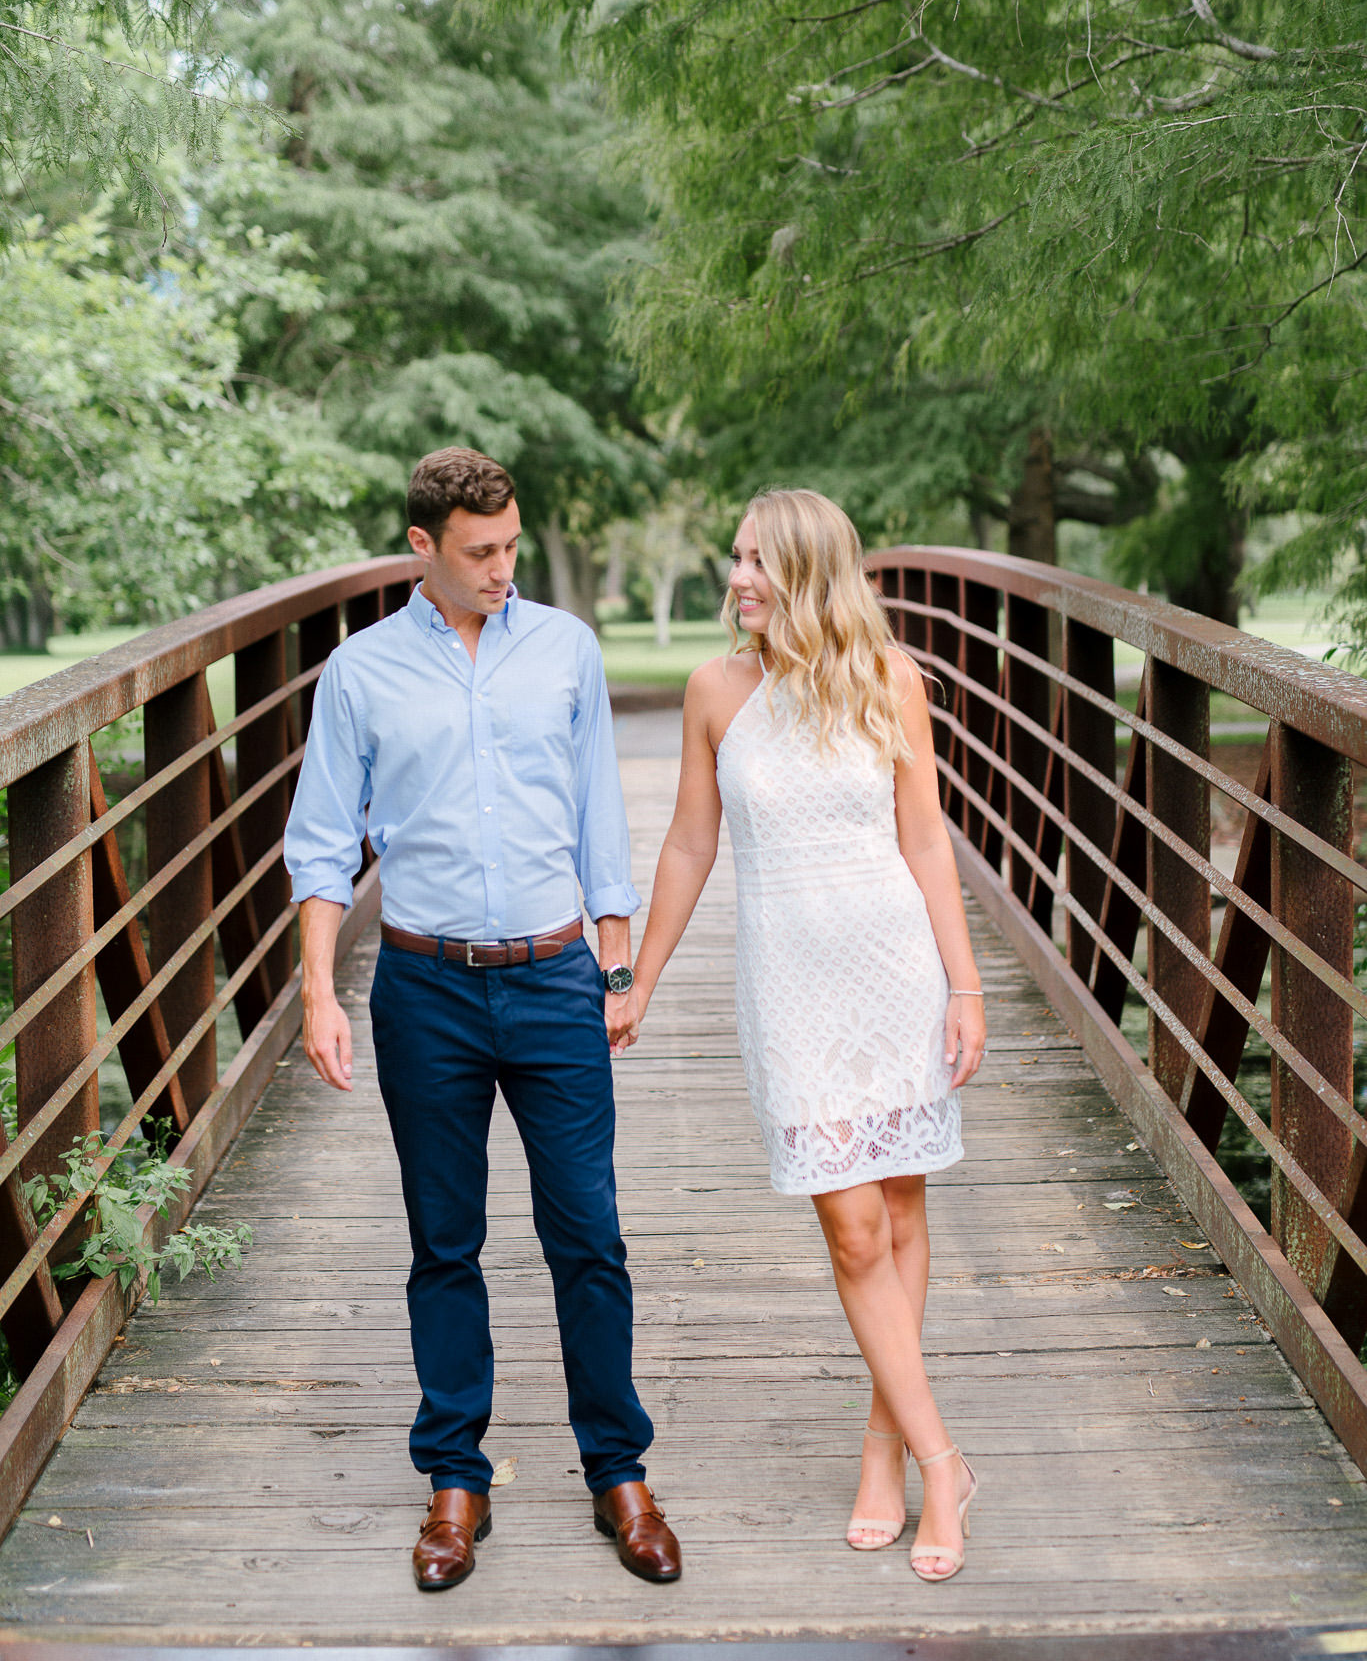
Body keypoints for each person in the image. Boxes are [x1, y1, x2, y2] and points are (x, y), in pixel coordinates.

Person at [283, 446, 681, 1592]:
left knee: (588, 1236)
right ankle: (455, 1478)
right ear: (423, 548)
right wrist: (321, 989)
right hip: (426, 988)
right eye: (480, 552)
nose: (504, 566)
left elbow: (600, 807)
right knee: (441, 1243)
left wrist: (615, 961)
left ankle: (619, 1469)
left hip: (555, 976)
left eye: (511, 544)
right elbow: (319, 845)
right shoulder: (358, 674)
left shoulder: (564, 649)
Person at [614, 488, 988, 1583]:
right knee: (852, 1226)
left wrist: (963, 985)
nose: (737, 578)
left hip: (891, 971)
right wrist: (637, 971)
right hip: (789, 986)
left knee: (902, 1207)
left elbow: (924, 839)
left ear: (811, 573)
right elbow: (689, 843)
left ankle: (889, 1449)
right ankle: (942, 1456)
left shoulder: (889, 681)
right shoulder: (713, 691)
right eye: (734, 557)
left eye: (758, 561)